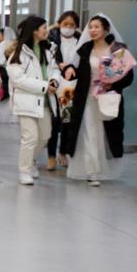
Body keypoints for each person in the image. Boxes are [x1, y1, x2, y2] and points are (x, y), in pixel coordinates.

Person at [60, 15, 134, 186]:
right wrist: (70, 69)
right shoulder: (85, 49)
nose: (92, 30)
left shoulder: (117, 50)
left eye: (96, 27)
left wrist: (112, 85)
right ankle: (91, 171)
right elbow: (76, 69)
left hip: (107, 98)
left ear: (106, 30)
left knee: (104, 132)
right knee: (88, 131)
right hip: (86, 98)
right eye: (90, 27)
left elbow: (128, 77)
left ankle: (99, 168)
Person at [6, 16, 62, 186]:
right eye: (44, 27)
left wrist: (54, 81)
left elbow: (54, 69)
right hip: (26, 101)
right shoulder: (19, 52)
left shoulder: (49, 49)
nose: (47, 30)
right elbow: (18, 79)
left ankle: (29, 162)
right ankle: (24, 171)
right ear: (35, 31)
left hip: (45, 101)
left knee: (45, 136)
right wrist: (44, 86)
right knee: (30, 137)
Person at [46, 11, 81, 168]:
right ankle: (51, 155)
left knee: (67, 120)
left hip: (70, 87)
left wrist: (72, 69)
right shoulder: (51, 40)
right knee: (54, 121)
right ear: (59, 24)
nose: (68, 27)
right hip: (54, 83)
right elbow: (50, 63)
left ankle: (63, 152)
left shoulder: (79, 42)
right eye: (65, 24)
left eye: (72, 25)